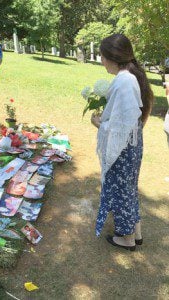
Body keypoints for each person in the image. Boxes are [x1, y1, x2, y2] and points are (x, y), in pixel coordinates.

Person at [91, 34, 154, 251]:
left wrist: (100, 124)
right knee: (128, 188)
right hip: (132, 144)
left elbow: (123, 124)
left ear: (112, 56)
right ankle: (136, 233)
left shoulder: (124, 80)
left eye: (102, 55)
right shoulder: (129, 76)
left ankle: (126, 238)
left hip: (125, 147)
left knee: (121, 191)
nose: (101, 60)